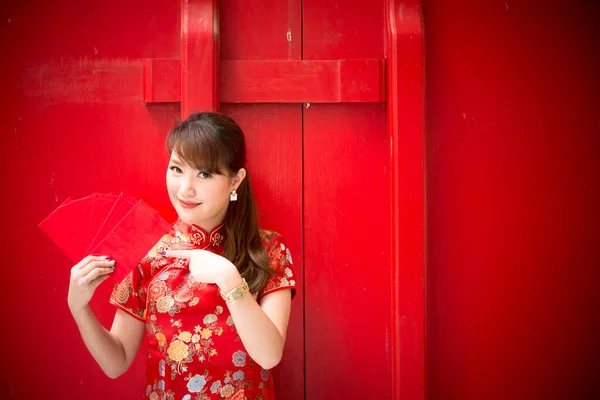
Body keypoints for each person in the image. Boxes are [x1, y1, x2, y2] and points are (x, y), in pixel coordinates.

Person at [67, 112, 296, 400]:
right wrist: (79, 308)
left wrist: (228, 278)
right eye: (177, 169)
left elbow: (269, 356)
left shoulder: (267, 249)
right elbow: (117, 361)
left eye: (204, 173)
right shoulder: (145, 251)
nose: (185, 188)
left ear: (235, 180)